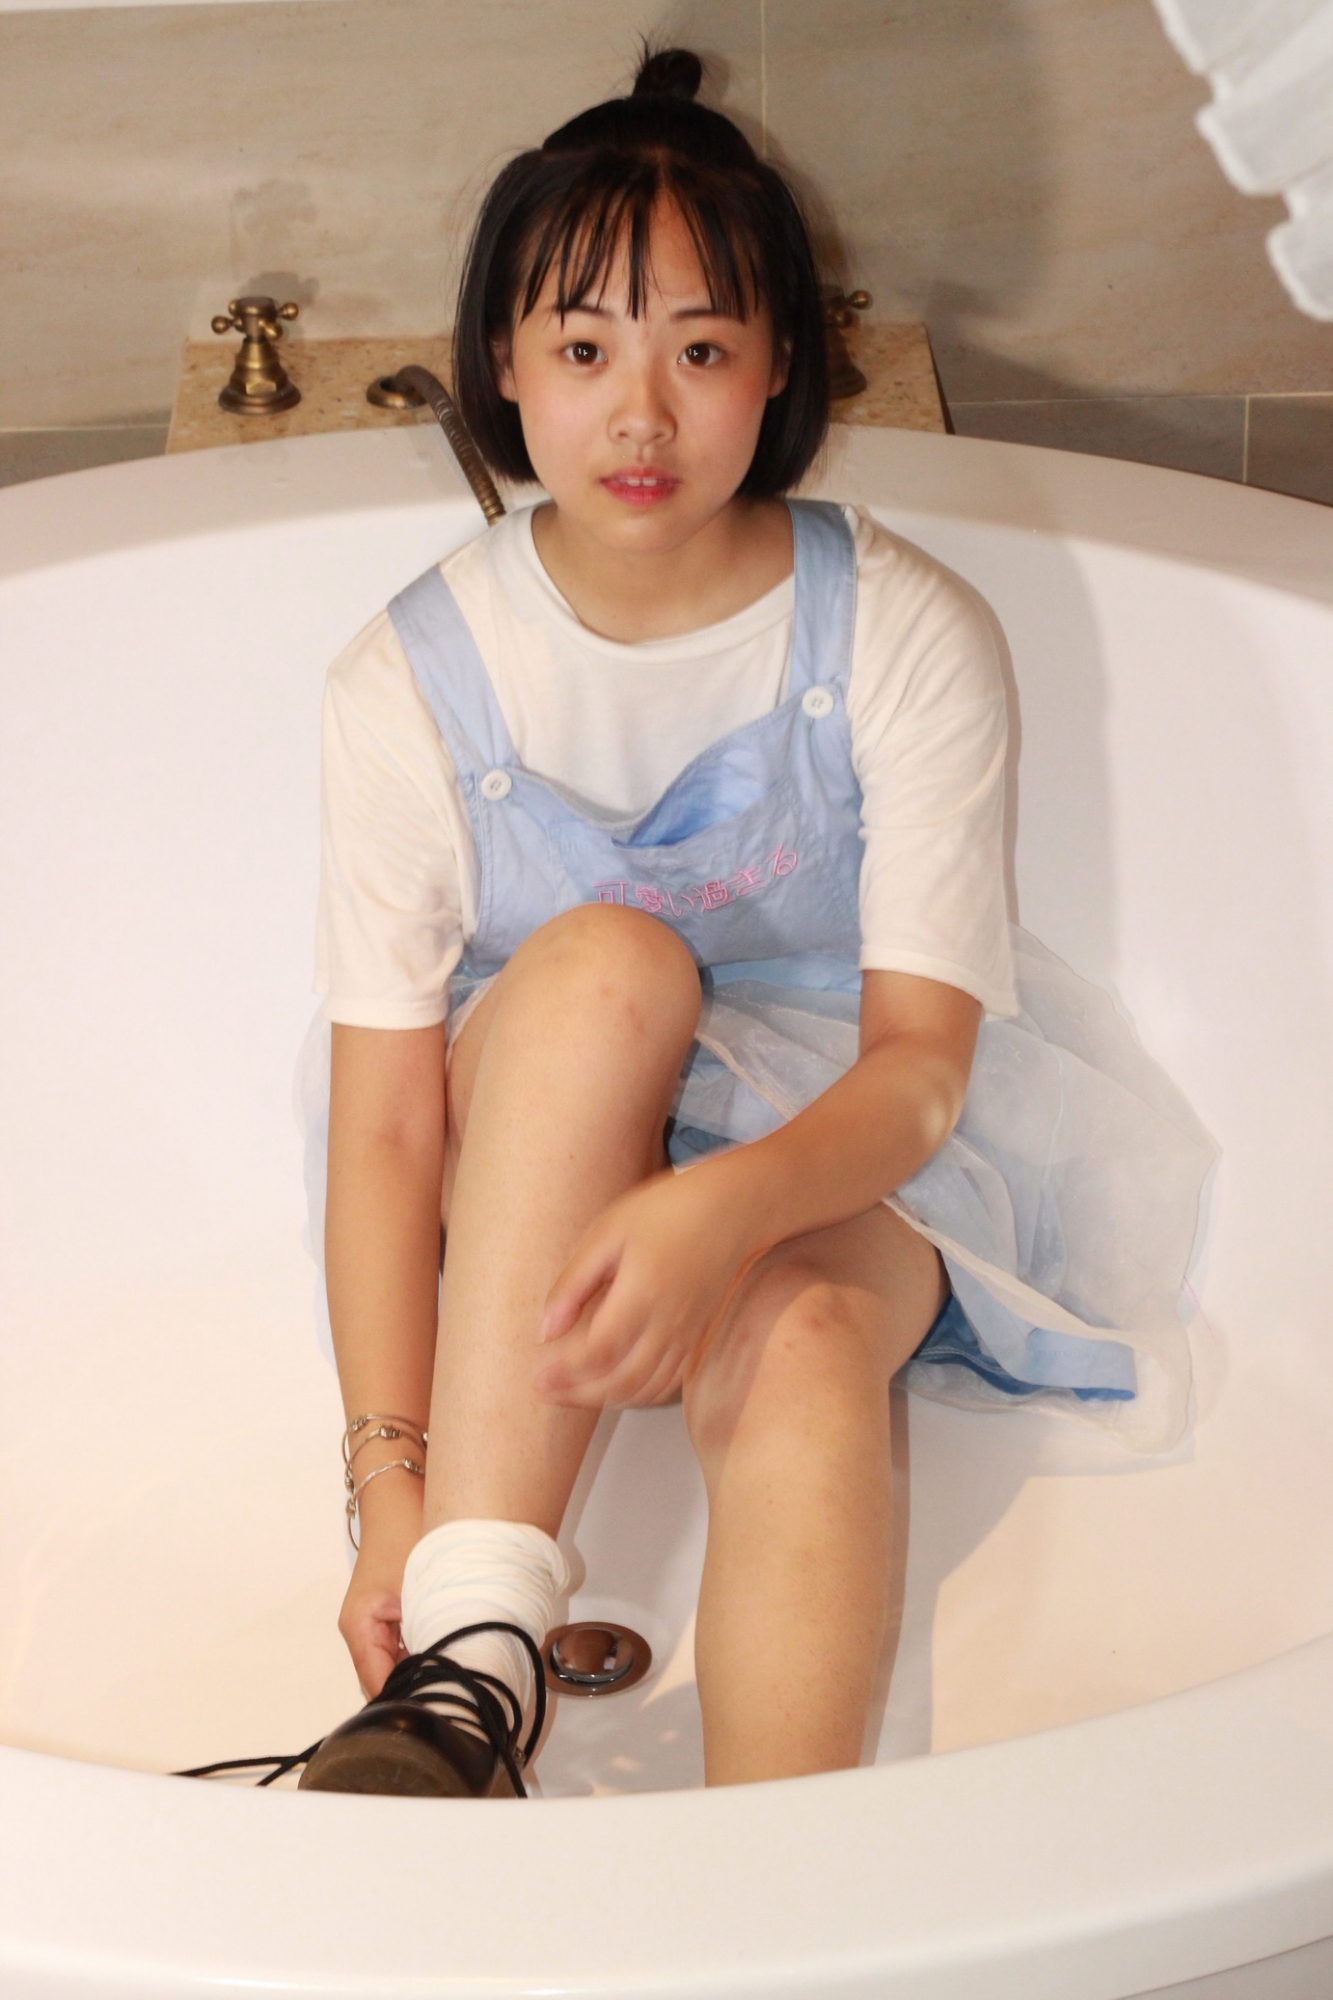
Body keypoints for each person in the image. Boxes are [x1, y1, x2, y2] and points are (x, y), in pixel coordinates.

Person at [285, 47, 1212, 1799]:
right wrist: (388, 1488)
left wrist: (726, 1209)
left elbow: (919, 1070)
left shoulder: (902, 629)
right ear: (503, 363)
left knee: (804, 1343)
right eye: (584, 351)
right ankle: (469, 1659)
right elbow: (391, 1123)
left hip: (834, 1138)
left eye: (699, 352)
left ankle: (771, 1863)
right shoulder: (406, 678)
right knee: (605, 965)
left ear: (781, 363)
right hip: (538, 1136)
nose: (640, 417)